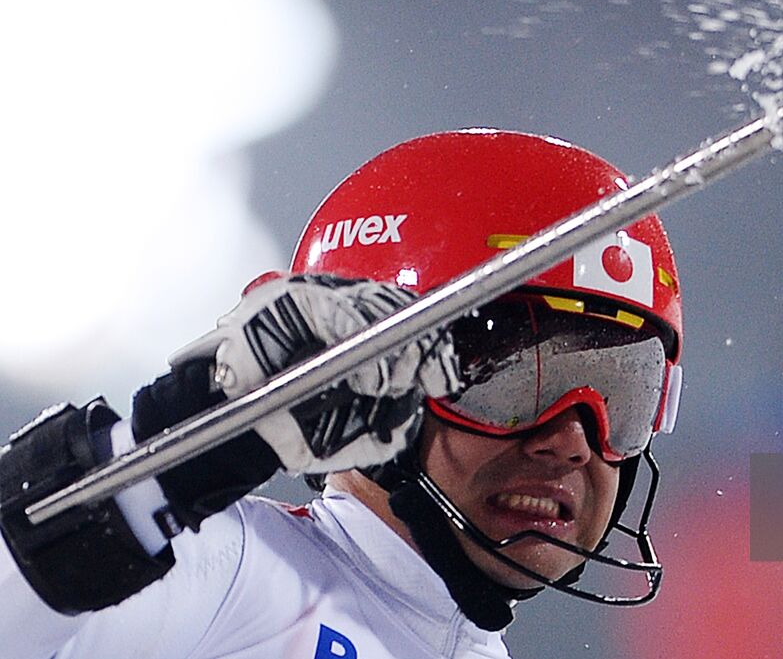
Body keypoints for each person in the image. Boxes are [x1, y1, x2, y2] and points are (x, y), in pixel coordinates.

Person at [0, 129, 685, 659]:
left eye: (624, 391)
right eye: (516, 380)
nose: (571, 441)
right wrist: (168, 447)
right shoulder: (230, 572)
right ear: (363, 376)